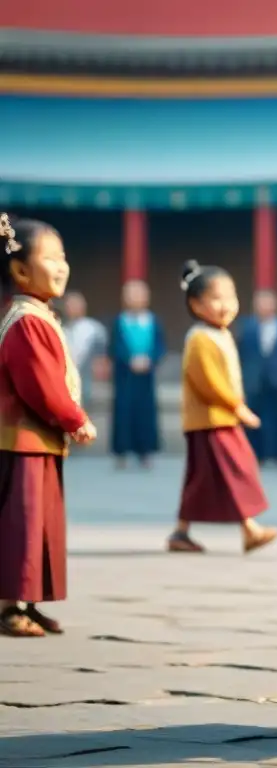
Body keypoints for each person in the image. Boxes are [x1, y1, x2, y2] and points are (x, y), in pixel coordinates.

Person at [0, 214, 97, 637]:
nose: (61, 266)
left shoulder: (38, 314)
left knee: (40, 525)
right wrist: (76, 419)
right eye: (50, 258)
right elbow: (41, 384)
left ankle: (28, 601)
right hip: (23, 441)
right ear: (20, 270)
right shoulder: (26, 320)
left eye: (63, 257)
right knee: (21, 525)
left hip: (39, 442)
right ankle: (9, 606)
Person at [167, 261, 277, 555]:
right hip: (213, 418)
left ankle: (181, 531)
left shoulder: (219, 333)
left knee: (201, 478)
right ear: (196, 304)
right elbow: (208, 381)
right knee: (236, 470)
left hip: (215, 418)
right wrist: (236, 406)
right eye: (217, 299)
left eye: (231, 298)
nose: (226, 305)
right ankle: (250, 528)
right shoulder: (200, 338)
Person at [110, 280, 164, 468]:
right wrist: (129, 360)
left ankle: (145, 451)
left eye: (139, 294)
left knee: (146, 413)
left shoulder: (152, 321)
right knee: (123, 413)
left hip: (146, 375)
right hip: (125, 376)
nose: (135, 299)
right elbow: (115, 347)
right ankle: (121, 452)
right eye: (131, 295)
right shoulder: (119, 321)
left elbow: (159, 346)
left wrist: (150, 359)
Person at [237, 290, 277, 467]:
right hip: (253, 378)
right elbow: (241, 352)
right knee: (253, 417)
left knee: (276, 416)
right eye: (261, 303)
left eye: (268, 302)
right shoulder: (247, 326)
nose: (264, 306)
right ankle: (255, 453)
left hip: (274, 377)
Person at [61, 291, 108, 409]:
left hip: (88, 377)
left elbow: (102, 356)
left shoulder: (94, 329)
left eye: (76, 305)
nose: (72, 308)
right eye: (69, 305)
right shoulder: (62, 329)